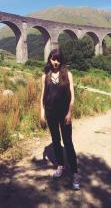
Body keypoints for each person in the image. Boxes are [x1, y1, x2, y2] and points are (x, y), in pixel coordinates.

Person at [40, 48, 80, 190]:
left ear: (61, 60)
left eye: (57, 59)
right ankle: (60, 167)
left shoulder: (68, 74)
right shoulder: (46, 76)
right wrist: (42, 112)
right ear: (49, 59)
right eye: (52, 59)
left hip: (64, 114)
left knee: (67, 142)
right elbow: (43, 96)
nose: (55, 62)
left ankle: (75, 173)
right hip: (51, 114)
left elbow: (72, 96)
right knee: (56, 141)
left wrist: (69, 112)